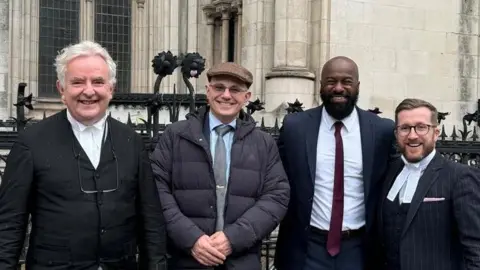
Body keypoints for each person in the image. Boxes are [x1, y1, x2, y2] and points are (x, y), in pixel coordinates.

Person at [0, 41, 167, 270]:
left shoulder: (132, 142)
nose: (88, 91)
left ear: (111, 89)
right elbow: (10, 224)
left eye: (98, 82)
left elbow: (151, 221)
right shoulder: (31, 142)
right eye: (77, 82)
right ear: (61, 89)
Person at [150, 62, 290, 270]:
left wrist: (232, 239)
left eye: (235, 90)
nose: (226, 95)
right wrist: (192, 239)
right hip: (186, 260)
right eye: (219, 87)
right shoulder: (176, 136)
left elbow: (276, 196)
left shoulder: (263, 144)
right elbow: (156, 190)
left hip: (241, 261)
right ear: (207, 91)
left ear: (247, 97)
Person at [274, 56, 396, 270]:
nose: (338, 88)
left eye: (346, 81)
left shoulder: (381, 131)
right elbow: (276, 179)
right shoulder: (295, 127)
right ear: (321, 85)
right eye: (331, 81)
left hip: (359, 250)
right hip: (306, 249)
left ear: (357, 86)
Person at [375, 98, 480, 270]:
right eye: (405, 128)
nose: (412, 135)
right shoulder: (389, 171)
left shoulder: (460, 176)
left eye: (421, 127)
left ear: (436, 133)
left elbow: (476, 250)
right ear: (396, 133)